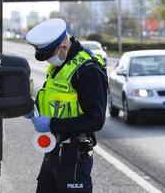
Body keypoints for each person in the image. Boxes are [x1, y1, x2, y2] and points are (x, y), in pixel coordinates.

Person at [26, 18, 107, 193]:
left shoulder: (87, 70)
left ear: (63, 46)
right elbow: (58, 100)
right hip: (54, 150)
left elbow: (96, 119)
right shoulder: (61, 65)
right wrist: (33, 110)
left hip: (73, 154)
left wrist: (52, 124)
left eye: (50, 55)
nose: (49, 61)